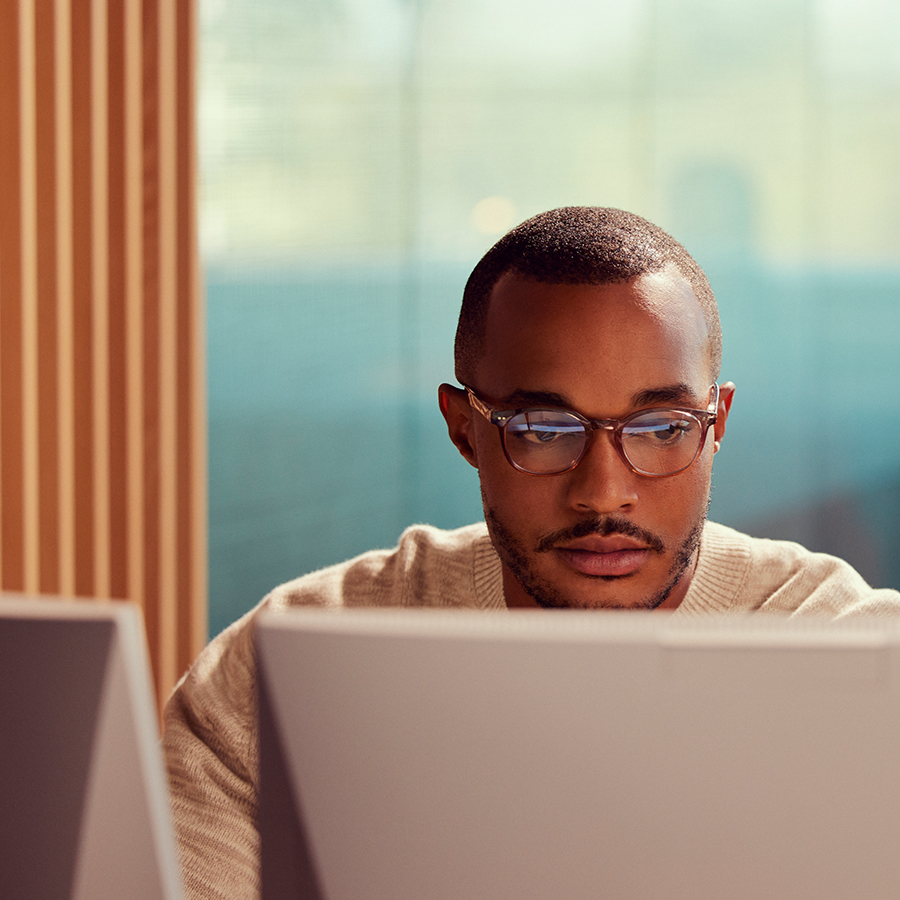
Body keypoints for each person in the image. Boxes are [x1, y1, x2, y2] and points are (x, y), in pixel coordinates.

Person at [164, 206, 900, 900]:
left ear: (716, 425)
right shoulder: (287, 672)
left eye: (661, 427)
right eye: (544, 429)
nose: (603, 493)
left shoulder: (861, 659)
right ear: (464, 429)